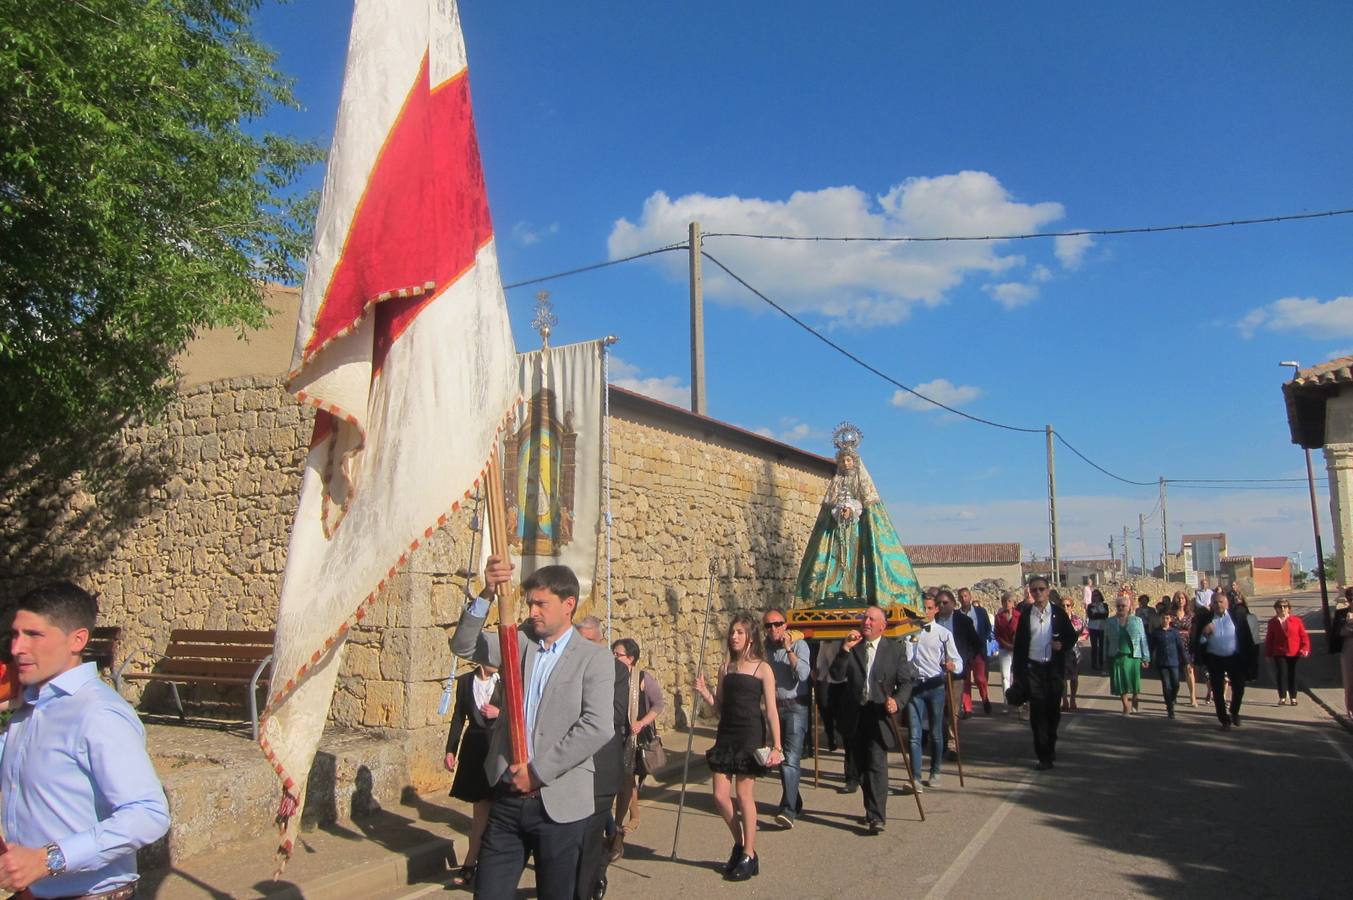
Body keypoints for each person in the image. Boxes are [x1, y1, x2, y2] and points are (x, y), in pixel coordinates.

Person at [449, 558, 614, 900]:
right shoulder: (518, 641)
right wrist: (487, 593)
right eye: (530, 603)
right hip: (508, 799)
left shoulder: (594, 659)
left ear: (569, 605)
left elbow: (597, 726)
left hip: (559, 804)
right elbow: (463, 646)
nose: (533, 611)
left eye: (542, 604)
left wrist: (537, 772)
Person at [0, 582, 170, 898]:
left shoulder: (98, 712)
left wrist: (48, 858)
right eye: (15, 635)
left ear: (77, 639)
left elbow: (149, 813)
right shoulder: (29, 708)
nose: (16, 648)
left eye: (34, 635)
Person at [693, 613, 783, 881]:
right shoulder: (725, 668)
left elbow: (771, 711)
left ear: (751, 637)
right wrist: (705, 692)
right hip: (726, 735)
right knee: (720, 796)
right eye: (732, 632)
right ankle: (741, 842)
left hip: (750, 735)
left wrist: (777, 746)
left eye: (740, 632)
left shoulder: (762, 669)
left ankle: (748, 854)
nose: (734, 637)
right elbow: (720, 707)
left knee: (744, 796)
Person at [829, 606, 911, 834]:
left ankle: (877, 815)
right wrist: (844, 649)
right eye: (864, 617)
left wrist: (897, 701)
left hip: (879, 713)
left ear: (882, 626)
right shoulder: (852, 647)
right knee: (862, 766)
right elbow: (836, 675)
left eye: (871, 619)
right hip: (856, 714)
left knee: (876, 763)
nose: (866, 621)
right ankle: (870, 808)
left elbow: (906, 683)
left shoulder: (894, 650)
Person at [575, 619, 626, 900]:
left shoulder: (616, 670)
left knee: (589, 838)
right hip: (567, 767)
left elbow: (616, 715)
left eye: (590, 641)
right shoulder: (565, 665)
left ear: (601, 642)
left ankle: (594, 876)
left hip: (601, 766)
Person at [1011, 576, 1078, 771]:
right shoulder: (1025, 616)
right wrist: (1017, 672)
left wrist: (1062, 644)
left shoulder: (1058, 614)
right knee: (1037, 714)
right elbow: (1020, 646)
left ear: (1048, 591)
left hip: (1053, 670)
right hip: (1033, 670)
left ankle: (1050, 742)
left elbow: (1071, 636)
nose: (1038, 593)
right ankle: (1043, 755)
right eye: (1034, 590)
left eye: (1041, 589)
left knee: (1052, 713)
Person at [444, 663, 501, 889]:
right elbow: (458, 717)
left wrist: (501, 713)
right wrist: (451, 750)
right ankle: (472, 864)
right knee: (480, 809)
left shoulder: (507, 682)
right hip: (475, 749)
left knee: (495, 812)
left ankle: (479, 864)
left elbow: (525, 713)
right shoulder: (466, 681)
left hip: (499, 749)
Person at [900, 594, 961, 793]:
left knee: (935, 731)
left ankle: (935, 771)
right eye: (922, 608)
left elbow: (958, 662)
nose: (924, 612)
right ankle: (915, 778)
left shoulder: (944, 634)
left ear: (935, 609)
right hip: (914, 686)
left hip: (935, 685)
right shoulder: (908, 633)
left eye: (928, 608)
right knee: (914, 734)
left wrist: (952, 665)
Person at [610, 637, 665, 855]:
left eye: (618, 655)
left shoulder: (642, 679)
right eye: (612, 654)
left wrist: (641, 723)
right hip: (612, 737)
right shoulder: (609, 677)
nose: (614, 658)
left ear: (630, 659)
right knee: (626, 782)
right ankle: (633, 817)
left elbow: (659, 704)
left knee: (625, 782)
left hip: (632, 740)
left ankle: (617, 830)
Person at [761, 608, 810, 828]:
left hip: (796, 707)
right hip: (775, 708)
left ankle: (788, 810)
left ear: (785, 625)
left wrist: (789, 650)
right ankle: (794, 799)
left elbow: (803, 674)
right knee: (780, 759)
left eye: (777, 624)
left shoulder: (799, 645)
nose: (773, 629)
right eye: (768, 626)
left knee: (791, 759)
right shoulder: (763, 649)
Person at [1194, 590, 1256, 731]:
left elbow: (1246, 638)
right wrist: (1205, 633)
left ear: (1227, 603)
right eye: (1215, 602)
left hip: (1234, 657)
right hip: (1214, 659)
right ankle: (1224, 720)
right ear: (1211, 604)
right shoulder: (1205, 619)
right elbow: (1199, 640)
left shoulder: (1236, 617)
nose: (1218, 605)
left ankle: (1234, 711)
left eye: (1221, 602)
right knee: (1217, 690)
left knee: (1239, 688)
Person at [933, 590, 979, 727]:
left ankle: (952, 741)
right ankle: (939, 736)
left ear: (953, 603)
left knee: (954, 708)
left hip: (956, 672)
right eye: (938, 603)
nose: (941, 605)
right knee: (938, 707)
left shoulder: (964, 621)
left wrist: (965, 659)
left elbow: (975, 643)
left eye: (945, 603)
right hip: (935, 671)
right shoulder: (932, 622)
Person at [1105, 595, 1148, 715]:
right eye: (1118, 606)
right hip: (1117, 656)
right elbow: (1106, 640)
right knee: (1120, 682)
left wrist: (1146, 657)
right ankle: (1125, 706)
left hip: (1133, 656)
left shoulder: (1137, 621)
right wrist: (1105, 657)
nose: (1120, 608)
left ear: (1129, 607)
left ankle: (1135, 696)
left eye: (1123, 606)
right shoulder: (1110, 621)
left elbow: (1143, 639)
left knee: (1134, 682)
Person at [1264, 599, 1310, 706]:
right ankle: (1282, 697)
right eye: (1280, 607)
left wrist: (1305, 648)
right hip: (1279, 652)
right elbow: (1270, 638)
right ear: (1276, 609)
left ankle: (1293, 697)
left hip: (1294, 651)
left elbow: (1304, 636)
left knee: (1293, 674)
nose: (1283, 609)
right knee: (1281, 674)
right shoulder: (1272, 622)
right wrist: (1268, 653)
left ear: (1289, 609)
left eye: (1285, 606)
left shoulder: (1296, 620)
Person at [956, 587, 993, 716]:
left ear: (970, 597)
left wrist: (983, 639)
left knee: (980, 678)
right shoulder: (957, 615)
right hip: (964, 651)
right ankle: (968, 708)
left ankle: (985, 698)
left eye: (966, 596)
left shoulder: (980, 612)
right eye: (961, 596)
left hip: (978, 650)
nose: (964, 598)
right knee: (965, 680)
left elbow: (987, 627)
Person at [1150, 609, 1188, 718]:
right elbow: (1151, 647)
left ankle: (1172, 697)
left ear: (1170, 619)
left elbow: (1180, 647)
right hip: (1162, 662)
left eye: (1167, 618)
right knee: (1166, 685)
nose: (1165, 620)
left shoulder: (1174, 632)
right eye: (1163, 618)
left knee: (1176, 684)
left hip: (1174, 661)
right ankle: (1170, 707)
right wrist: (1148, 659)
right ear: (1160, 619)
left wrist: (1186, 661)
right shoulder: (1156, 633)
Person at [1058, 596, 1087, 712]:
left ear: (1072, 606)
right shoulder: (1056, 620)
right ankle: (1064, 700)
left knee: (1074, 678)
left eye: (1067, 605)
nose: (1065, 607)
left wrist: (1076, 639)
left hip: (1074, 652)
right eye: (1063, 605)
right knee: (1062, 678)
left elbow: (1085, 633)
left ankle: (1073, 699)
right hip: (1061, 652)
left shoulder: (1077, 620)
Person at [994, 591, 1021, 712]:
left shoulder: (1019, 616)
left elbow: (1022, 632)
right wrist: (1005, 644)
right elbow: (997, 634)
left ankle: (1019, 702)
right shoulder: (998, 617)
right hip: (1004, 648)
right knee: (1005, 676)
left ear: (1014, 603)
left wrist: (1016, 645)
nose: (1006, 603)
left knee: (1018, 675)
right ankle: (1007, 701)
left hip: (1018, 648)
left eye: (1009, 601)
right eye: (1004, 601)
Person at [1170, 592, 1198, 707]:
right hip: (1174, 644)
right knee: (1174, 672)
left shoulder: (1191, 615)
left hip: (1187, 644)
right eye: (1178, 598)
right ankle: (1173, 696)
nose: (1180, 600)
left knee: (1189, 671)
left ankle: (1193, 698)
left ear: (1186, 600)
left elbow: (1194, 631)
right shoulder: (1171, 614)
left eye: (1182, 598)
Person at [1333, 587, 1353, 717]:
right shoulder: (1342, 613)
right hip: (1348, 648)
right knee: (1349, 680)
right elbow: (1337, 632)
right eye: (1350, 599)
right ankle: (1350, 709)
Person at [1086, 589, 1109, 672]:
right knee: (1094, 646)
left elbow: (1106, 615)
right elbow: (1091, 616)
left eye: (1097, 595)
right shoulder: (1090, 606)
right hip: (1093, 628)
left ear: (1100, 596)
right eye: (1094, 595)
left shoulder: (1104, 605)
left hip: (1102, 627)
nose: (1096, 597)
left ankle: (1101, 662)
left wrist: (1097, 614)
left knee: (1102, 646)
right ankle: (1094, 663)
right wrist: (1100, 614)